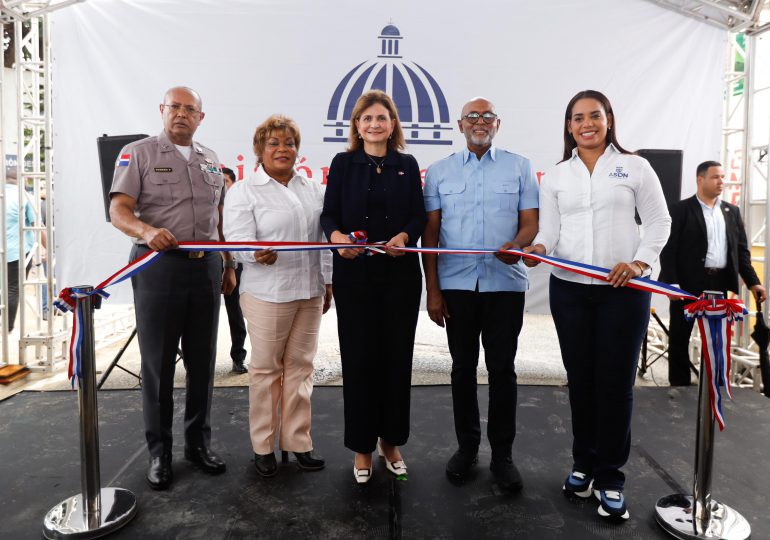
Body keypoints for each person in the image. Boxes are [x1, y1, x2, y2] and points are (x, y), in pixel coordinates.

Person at [523, 90, 671, 521]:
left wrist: (641, 261)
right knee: (582, 381)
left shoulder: (635, 166)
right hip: (569, 291)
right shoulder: (556, 176)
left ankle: (610, 476)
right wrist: (536, 249)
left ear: (609, 119)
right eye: (577, 117)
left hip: (623, 292)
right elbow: (549, 230)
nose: (586, 123)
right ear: (568, 127)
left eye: (594, 115)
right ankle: (583, 464)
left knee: (615, 384)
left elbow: (659, 221)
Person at [109, 86, 236, 490]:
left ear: (201, 117)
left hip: (205, 269)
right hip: (158, 268)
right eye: (174, 107)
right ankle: (159, 453)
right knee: (159, 365)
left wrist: (228, 263)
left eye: (190, 109)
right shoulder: (138, 153)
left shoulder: (211, 160)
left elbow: (220, 217)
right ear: (163, 111)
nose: (181, 114)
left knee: (203, 363)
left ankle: (197, 445)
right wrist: (147, 232)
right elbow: (118, 210)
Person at [422, 97, 539, 492]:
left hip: (505, 285)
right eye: (472, 116)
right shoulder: (439, 172)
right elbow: (431, 235)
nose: (480, 121)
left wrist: (517, 245)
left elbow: (530, 224)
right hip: (457, 287)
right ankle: (467, 447)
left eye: (487, 116)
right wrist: (433, 291)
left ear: (498, 123)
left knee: (503, 370)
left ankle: (502, 455)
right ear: (460, 124)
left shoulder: (520, 166)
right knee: (462, 369)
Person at [321, 90, 426, 484]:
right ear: (357, 126)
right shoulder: (343, 163)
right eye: (367, 119)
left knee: (396, 360)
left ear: (393, 124)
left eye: (382, 118)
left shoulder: (408, 163)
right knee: (360, 360)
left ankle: (392, 442)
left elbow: (419, 216)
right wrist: (337, 238)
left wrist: (404, 236)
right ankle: (363, 448)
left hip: (399, 277)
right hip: (355, 277)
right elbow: (329, 214)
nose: (374, 124)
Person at [224, 115, 332, 478]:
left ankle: (298, 442)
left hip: (309, 291)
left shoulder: (313, 189)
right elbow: (236, 243)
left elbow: (325, 242)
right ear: (259, 150)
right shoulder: (244, 191)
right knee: (267, 370)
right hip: (267, 294)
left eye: (289, 143)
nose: (283, 149)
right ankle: (263, 446)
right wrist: (254, 253)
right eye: (274, 143)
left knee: (301, 369)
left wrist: (328, 283)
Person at [659, 161, 767, 386]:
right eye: (716, 177)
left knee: (717, 340)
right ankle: (679, 388)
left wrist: (753, 283)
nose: (722, 182)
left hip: (718, 284)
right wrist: (671, 284)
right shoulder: (680, 209)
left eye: (723, 177)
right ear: (700, 180)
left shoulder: (731, 211)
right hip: (686, 285)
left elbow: (741, 252)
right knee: (680, 337)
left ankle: (715, 387)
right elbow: (669, 249)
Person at [221, 166, 248, 374]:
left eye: (226, 182)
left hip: (235, 265)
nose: (221, 186)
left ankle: (238, 357)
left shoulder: (239, 204)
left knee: (235, 313)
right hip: (209, 264)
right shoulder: (206, 206)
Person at [4, 166, 36, 332]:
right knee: (13, 288)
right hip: (18, 251)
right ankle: (7, 326)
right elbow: (36, 224)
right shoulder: (23, 197)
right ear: (21, 179)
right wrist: (46, 249)